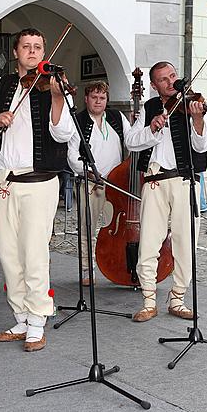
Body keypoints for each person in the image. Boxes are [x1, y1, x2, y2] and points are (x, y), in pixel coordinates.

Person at [0, 27, 75, 352]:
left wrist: (57, 96)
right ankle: (21, 318)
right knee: (9, 255)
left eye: (38, 47)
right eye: (26, 46)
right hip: (4, 182)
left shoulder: (53, 85)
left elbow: (64, 132)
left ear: (43, 53)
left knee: (34, 255)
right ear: (16, 52)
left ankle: (38, 322)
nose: (32, 51)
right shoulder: (1, 86)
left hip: (39, 183)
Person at [124, 61, 207, 323]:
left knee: (186, 243)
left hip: (185, 181)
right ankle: (149, 300)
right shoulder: (150, 108)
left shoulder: (194, 103)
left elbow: (203, 144)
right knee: (149, 242)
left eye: (173, 75)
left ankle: (178, 298)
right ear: (154, 85)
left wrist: (197, 119)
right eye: (163, 79)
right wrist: (151, 128)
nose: (171, 81)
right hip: (154, 181)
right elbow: (131, 141)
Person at [66, 81, 131, 286]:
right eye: (94, 97)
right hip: (91, 184)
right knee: (88, 228)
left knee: (118, 230)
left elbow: (131, 141)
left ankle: (119, 267)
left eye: (102, 98)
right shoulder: (78, 120)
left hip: (116, 185)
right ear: (86, 99)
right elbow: (72, 155)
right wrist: (89, 173)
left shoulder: (117, 118)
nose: (98, 101)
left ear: (107, 100)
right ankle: (87, 270)